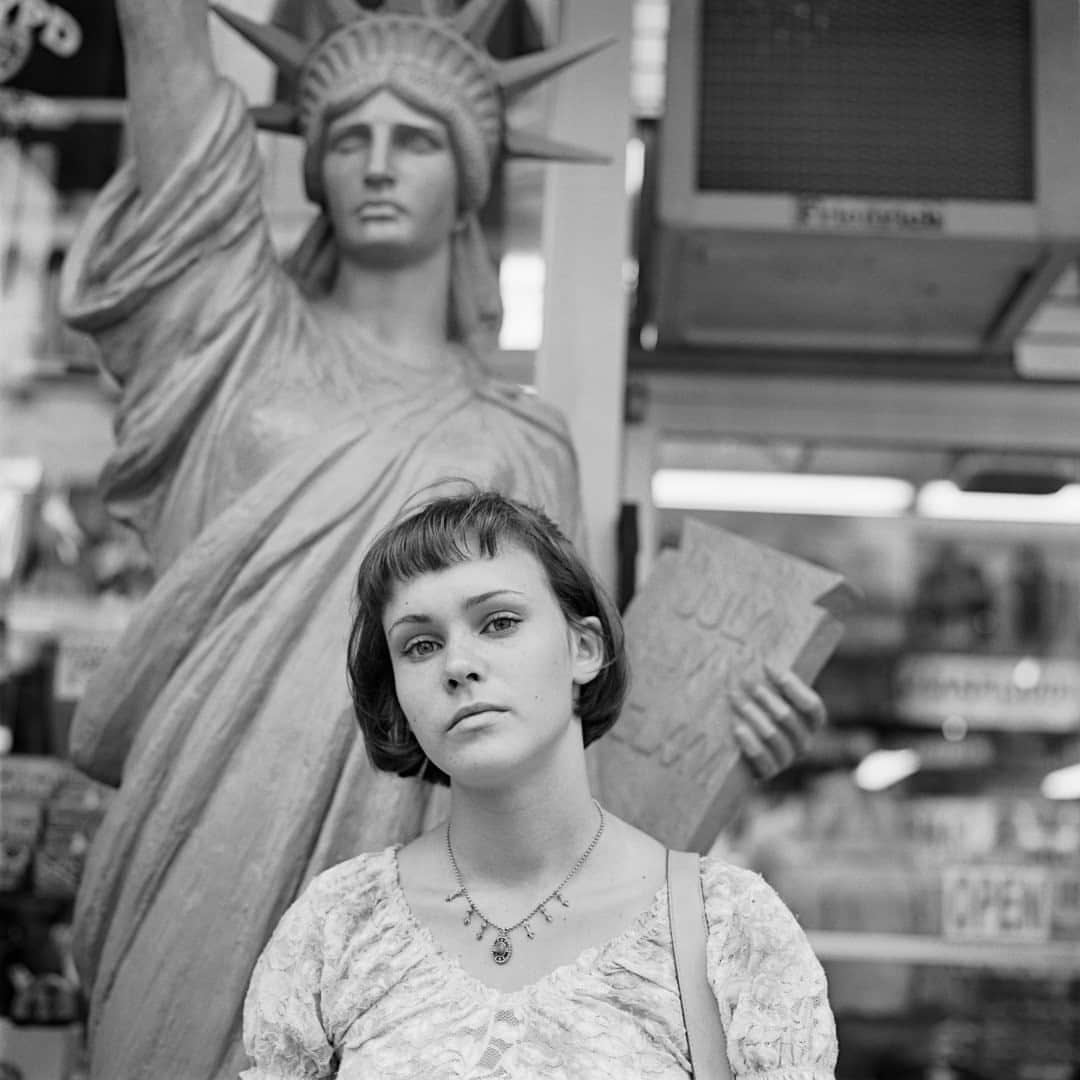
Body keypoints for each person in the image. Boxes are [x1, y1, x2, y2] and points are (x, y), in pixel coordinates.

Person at [57, 2, 826, 1077]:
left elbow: (578, 728)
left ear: (468, 179)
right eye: (348, 141)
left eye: (415, 139)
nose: (377, 166)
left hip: (433, 874)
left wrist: (729, 740)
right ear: (312, 169)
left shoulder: (525, 441)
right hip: (201, 830)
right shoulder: (235, 336)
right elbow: (180, 114)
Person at [241, 488, 838, 1078]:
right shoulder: (338, 923)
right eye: (420, 645)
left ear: (584, 648)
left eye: (498, 622)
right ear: (396, 693)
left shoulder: (730, 927)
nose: (458, 665)